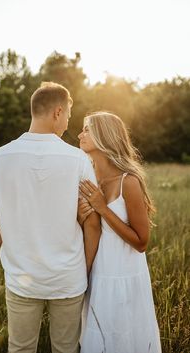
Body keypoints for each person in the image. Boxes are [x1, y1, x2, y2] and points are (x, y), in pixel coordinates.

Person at [0, 82, 101, 353]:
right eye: (67, 115)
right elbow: (92, 222)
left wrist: (10, 245)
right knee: (66, 349)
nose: (67, 122)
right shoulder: (77, 159)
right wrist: (84, 267)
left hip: (21, 276)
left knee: (20, 349)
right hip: (68, 278)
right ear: (57, 112)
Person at [77, 112, 162, 353]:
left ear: (105, 137)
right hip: (98, 274)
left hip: (124, 275)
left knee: (124, 339)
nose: (80, 135)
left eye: (87, 129)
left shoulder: (129, 182)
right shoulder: (87, 178)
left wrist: (103, 209)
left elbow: (142, 242)